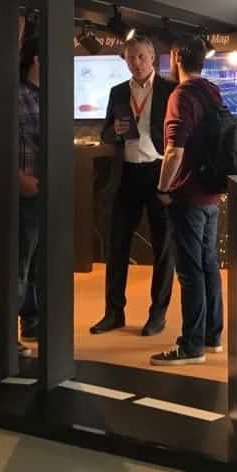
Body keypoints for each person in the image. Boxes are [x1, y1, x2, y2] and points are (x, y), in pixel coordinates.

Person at [92, 36, 176, 337]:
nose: (136, 63)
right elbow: (104, 133)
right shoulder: (117, 91)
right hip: (126, 175)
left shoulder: (170, 90)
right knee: (117, 246)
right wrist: (114, 132)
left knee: (163, 248)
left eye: (141, 57)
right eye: (131, 58)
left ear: (152, 57)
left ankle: (158, 315)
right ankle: (114, 313)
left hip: (159, 173)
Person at [151, 36, 224, 367]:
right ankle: (212, 335)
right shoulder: (211, 91)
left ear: (177, 57)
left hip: (189, 195)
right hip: (211, 194)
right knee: (208, 265)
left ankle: (192, 346)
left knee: (190, 271)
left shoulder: (181, 95)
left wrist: (163, 187)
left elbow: (174, 151)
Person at [16, 38, 42, 355]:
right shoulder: (15, 94)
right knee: (18, 265)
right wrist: (18, 178)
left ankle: (33, 321)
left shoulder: (46, 94)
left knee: (38, 265)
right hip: (24, 190)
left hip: (46, 191)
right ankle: (3, 336)